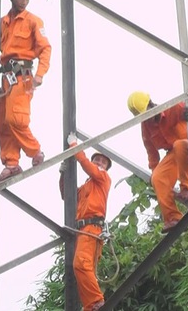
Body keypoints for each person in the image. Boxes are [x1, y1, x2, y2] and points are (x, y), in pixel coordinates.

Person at [0, 0, 52, 182]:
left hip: (24, 77)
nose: (24, 0)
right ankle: (11, 163)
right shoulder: (3, 22)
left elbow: (45, 48)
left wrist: (40, 75)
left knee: (15, 118)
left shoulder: (33, 21)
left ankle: (35, 151)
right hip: (6, 78)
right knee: (1, 122)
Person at [127, 91, 188, 233]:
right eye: (143, 117)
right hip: (175, 155)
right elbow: (152, 153)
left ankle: (187, 188)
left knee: (179, 145)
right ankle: (172, 218)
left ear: (151, 104)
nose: (147, 119)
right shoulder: (146, 127)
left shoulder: (172, 107)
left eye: (147, 114)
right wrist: (156, 177)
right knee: (158, 178)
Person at [59, 133, 112, 311]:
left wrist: (75, 146)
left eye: (102, 162)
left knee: (80, 264)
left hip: (91, 228)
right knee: (82, 268)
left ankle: (96, 301)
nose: (98, 163)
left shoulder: (103, 178)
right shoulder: (86, 187)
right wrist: (63, 175)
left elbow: (88, 167)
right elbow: (67, 196)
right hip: (84, 230)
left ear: (106, 167)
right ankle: (91, 305)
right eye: (96, 159)